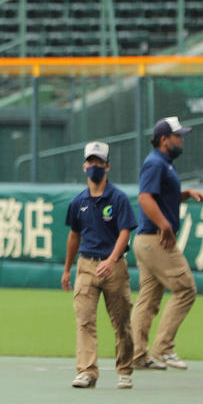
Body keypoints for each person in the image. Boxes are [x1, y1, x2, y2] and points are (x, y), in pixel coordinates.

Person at [131, 117, 203, 370]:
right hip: (156, 239)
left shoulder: (163, 163)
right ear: (164, 139)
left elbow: (160, 195)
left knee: (149, 298)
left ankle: (138, 355)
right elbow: (144, 198)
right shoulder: (155, 163)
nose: (181, 140)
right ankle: (163, 348)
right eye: (178, 136)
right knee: (186, 289)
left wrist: (185, 194)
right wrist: (164, 225)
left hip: (146, 240)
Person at [61, 141, 137, 389]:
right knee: (84, 319)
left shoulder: (118, 198)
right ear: (84, 165)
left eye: (99, 162)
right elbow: (74, 236)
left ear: (107, 166)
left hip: (114, 266)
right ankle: (87, 371)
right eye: (91, 161)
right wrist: (67, 269)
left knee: (122, 321)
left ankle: (125, 370)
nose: (95, 166)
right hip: (86, 264)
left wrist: (112, 260)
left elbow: (125, 232)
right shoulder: (78, 202)